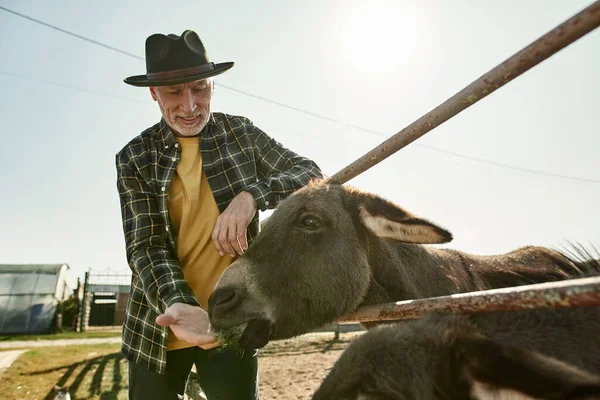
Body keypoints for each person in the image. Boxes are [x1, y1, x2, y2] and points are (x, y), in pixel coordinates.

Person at [116, 30, 322, 400]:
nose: (190, 105)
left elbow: (309, 173)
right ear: (153, 93)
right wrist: (178, 302)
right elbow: (145, 246)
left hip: (232, 316)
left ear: (213, 85)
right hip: (159, 321)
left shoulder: (240, 133)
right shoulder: (134, 157)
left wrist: (251, 196)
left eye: (200, 88)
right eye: (174, 92)